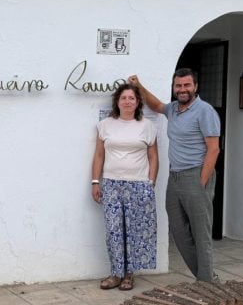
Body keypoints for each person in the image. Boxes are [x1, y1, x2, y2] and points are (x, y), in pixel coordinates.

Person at [129, 69, 221, 282]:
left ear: (195, 86)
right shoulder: (173, 109)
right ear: (174, 88)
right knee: (178, 230)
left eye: (186, 85)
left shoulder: (205, 111)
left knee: (201, 233)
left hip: (196, 175)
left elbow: (214, 149)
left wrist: (202, 181)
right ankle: (207, 278)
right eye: (178, 86)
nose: (182, 89)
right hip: (175, 177)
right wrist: (139, 86)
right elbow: (156, 105)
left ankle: (206, 282)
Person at [91, 83, 159, 291]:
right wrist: (95, 181)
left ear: (137, 102)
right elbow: (99, 155)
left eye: (131, 98)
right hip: (111, 184)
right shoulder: (105, 125)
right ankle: (116, 273)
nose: (127, 101)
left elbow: (153, 156)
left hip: (138, 185)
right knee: (114, 230)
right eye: (123, 98)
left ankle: (129, 274)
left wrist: (151, 183)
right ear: (117, 102)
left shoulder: (147, 126)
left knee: (134, 231)